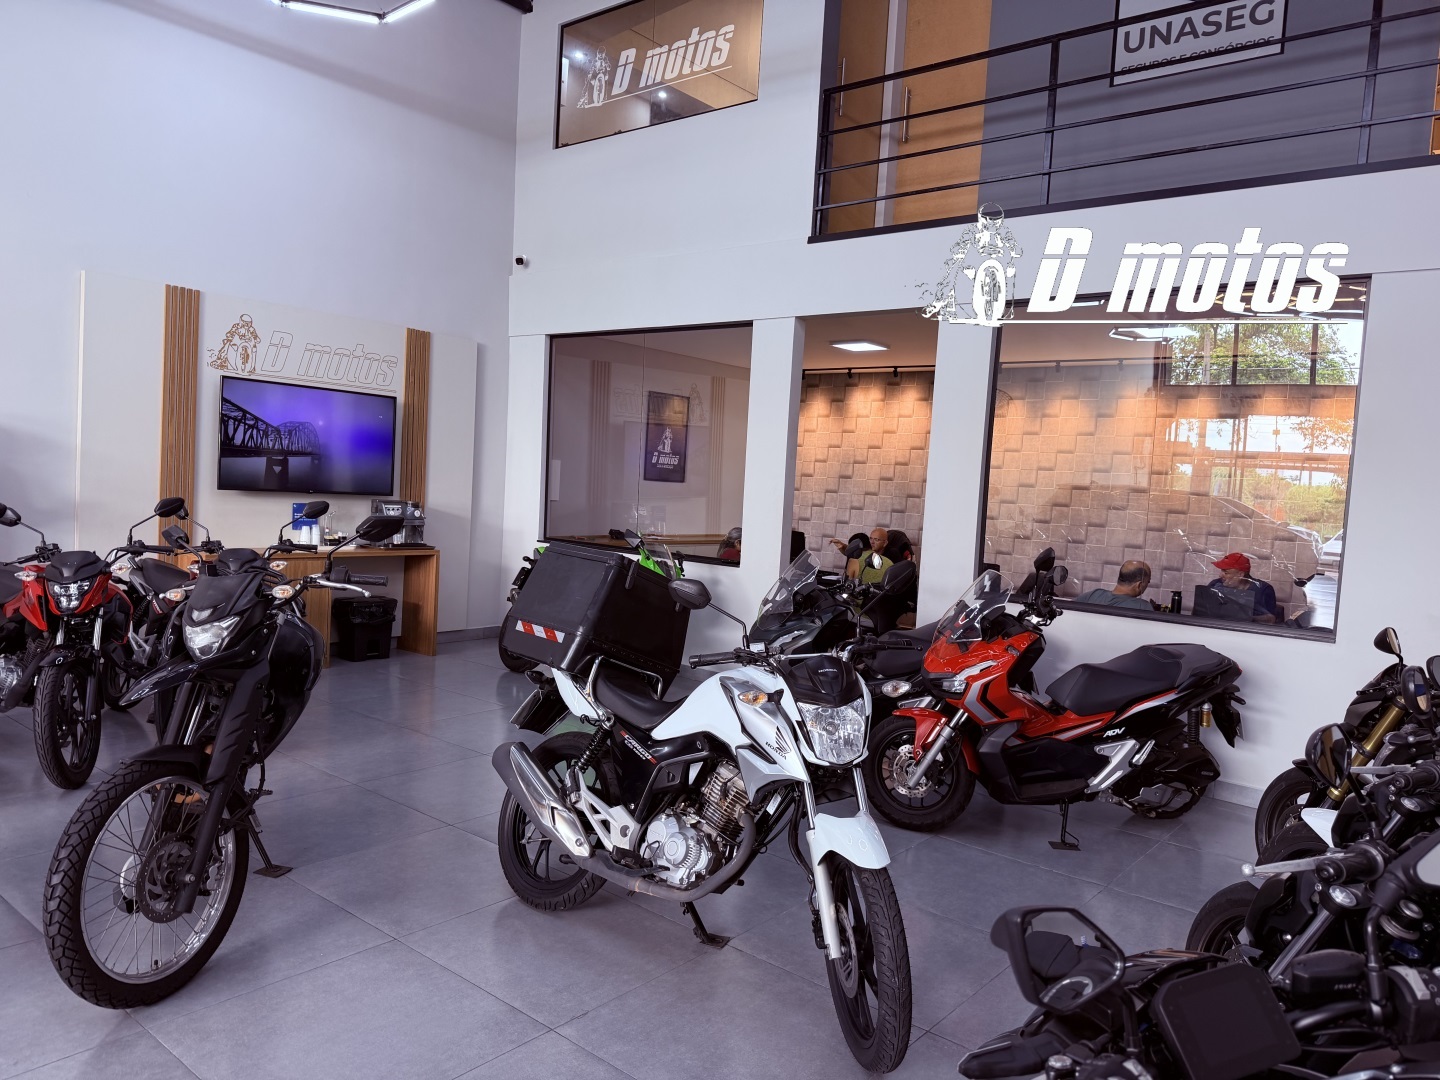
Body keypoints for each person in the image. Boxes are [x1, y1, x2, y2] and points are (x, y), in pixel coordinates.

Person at [1207, 552, 1278, 624]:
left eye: (1226, 572)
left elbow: (1271, 619)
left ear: (1240, 574)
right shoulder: (1215, 584)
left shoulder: (1263, 590)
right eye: (1221, 571)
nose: (1220, 575)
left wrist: (1245, 617)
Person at [1073, 561, 1156, 611]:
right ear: (1139, 585)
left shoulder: (1093, 594)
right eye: (1148, 582)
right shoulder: (1143, 607)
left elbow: (1066, 613)